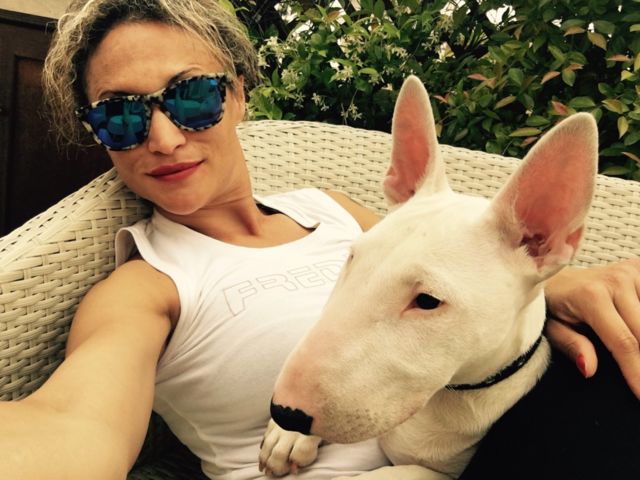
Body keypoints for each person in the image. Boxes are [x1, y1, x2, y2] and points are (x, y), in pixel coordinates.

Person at [1, 0, 638, 478]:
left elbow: (452, 275)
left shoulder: (330, 209)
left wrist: (549, 285)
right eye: (120, 116)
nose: (164, 139)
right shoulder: (144, 284)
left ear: (238, 96)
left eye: (191, 98)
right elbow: (71, 425)